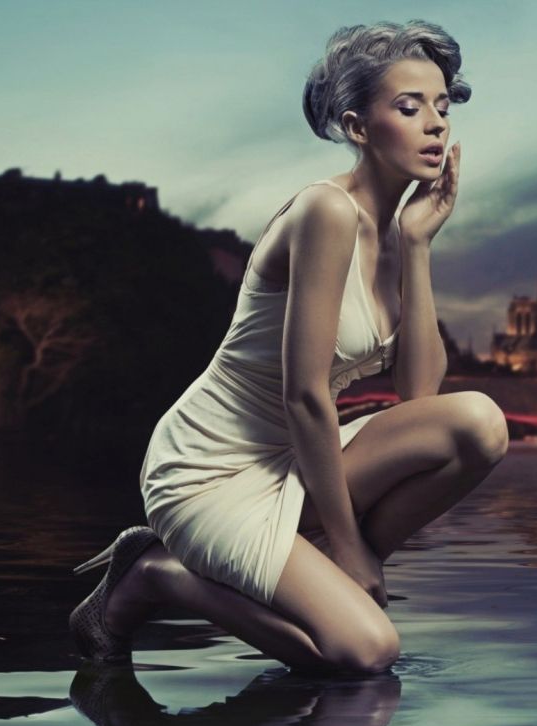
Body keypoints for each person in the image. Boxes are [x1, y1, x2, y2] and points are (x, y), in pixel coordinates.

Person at [68, 19, 507, 675]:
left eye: (442, 107)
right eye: (409, 107)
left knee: (479, 423)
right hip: (212, 470)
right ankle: (155, 575)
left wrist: (417, 247)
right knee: (366, 652)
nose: (435, 125)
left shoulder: (396, 235)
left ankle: (323, 572)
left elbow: (418, 401)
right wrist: (357, 550)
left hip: (295, 461)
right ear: (359, 127)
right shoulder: (323, 213)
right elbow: (303, 394)